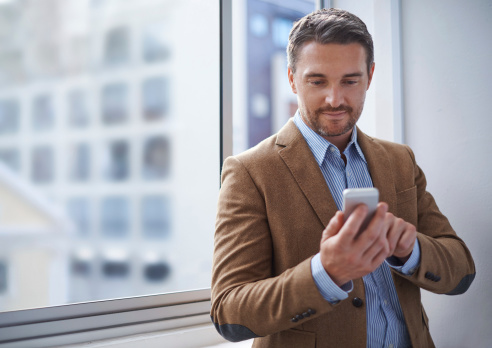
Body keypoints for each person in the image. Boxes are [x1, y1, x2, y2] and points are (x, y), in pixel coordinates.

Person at [210, 8, 475, 348]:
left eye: (350, 81)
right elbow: (229, 313)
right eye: (317, 81)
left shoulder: (399, 161)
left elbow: (462, 269)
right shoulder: (250, 172)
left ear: (370, 75)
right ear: (292, 78)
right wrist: (325, 272)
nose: (335, 99)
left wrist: (411, 250)